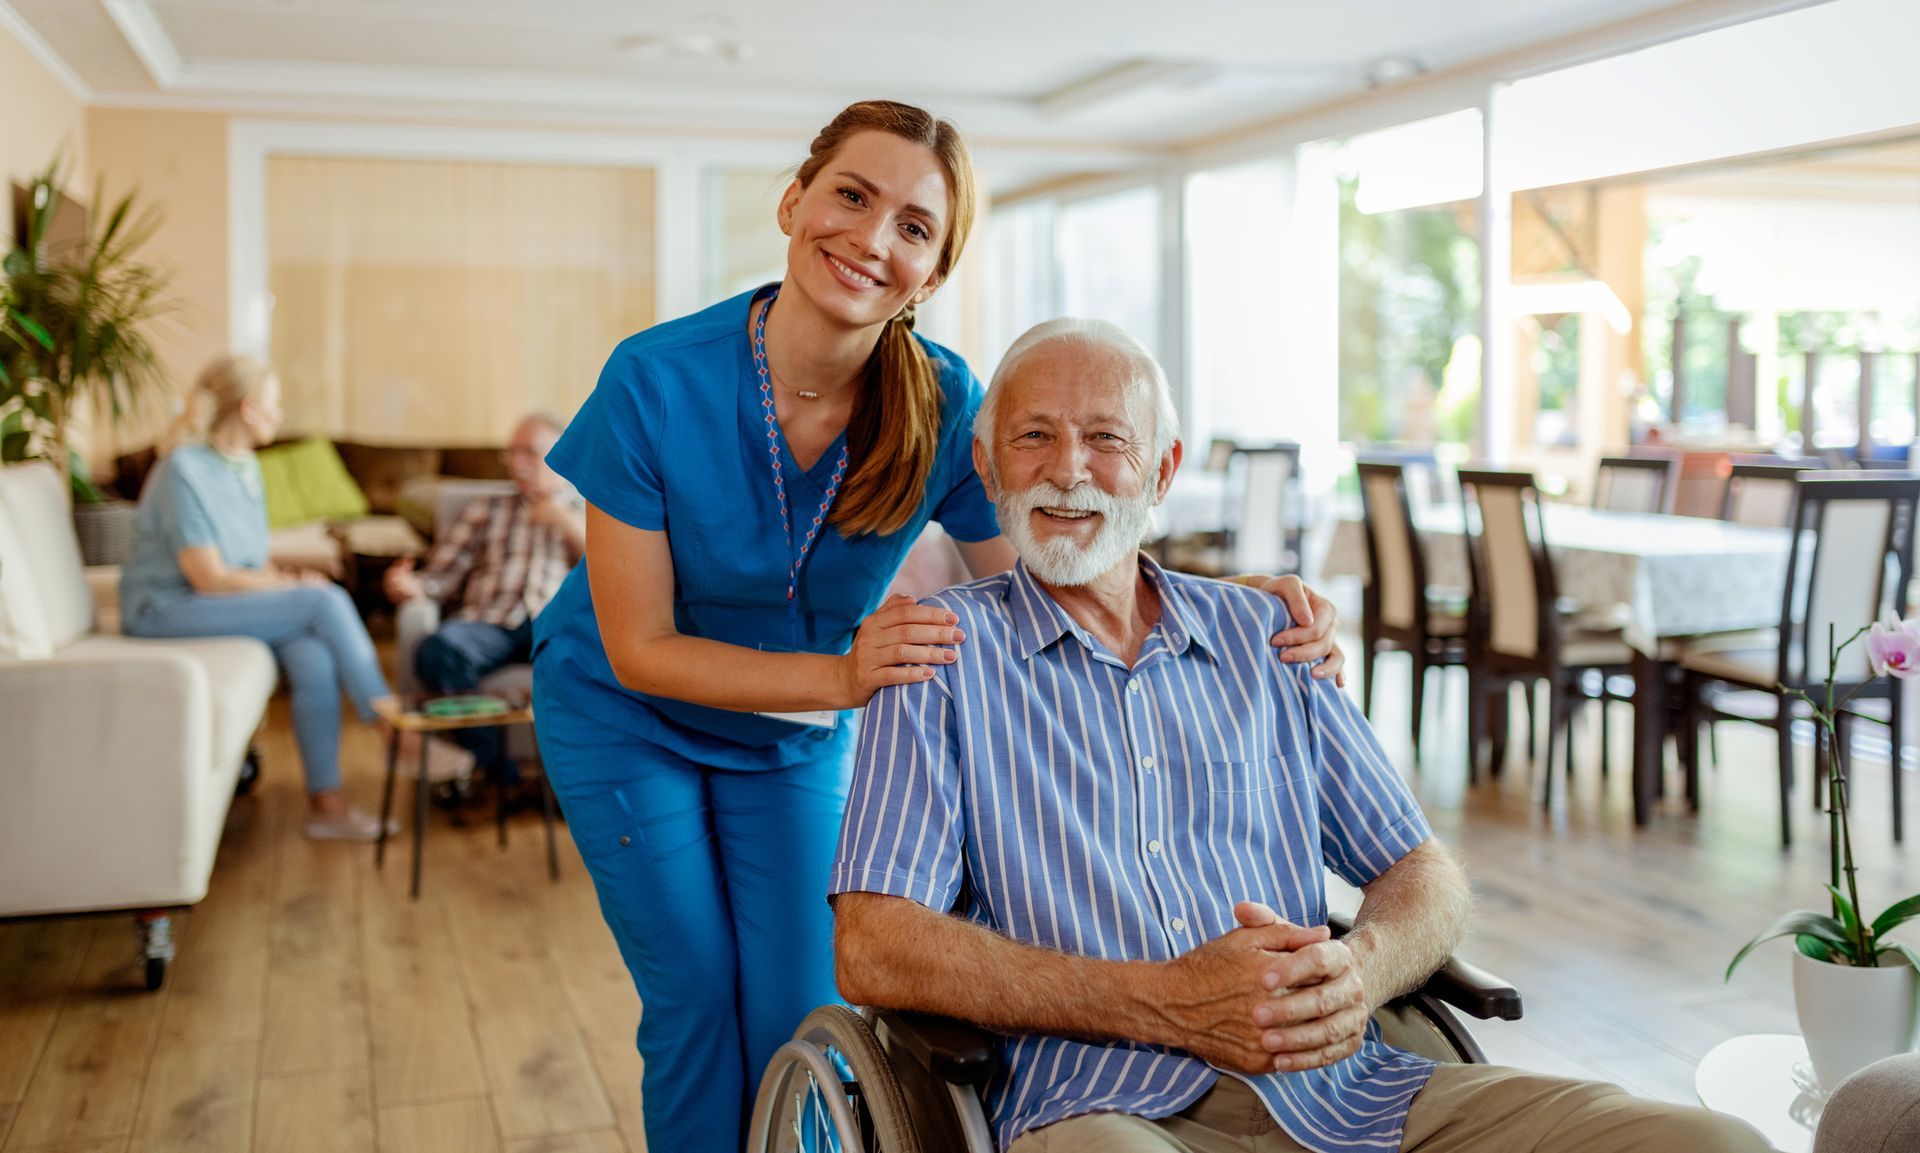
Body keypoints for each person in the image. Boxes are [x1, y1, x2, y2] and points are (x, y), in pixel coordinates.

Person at [531, 100, 1348, 1153]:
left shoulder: (942, 402)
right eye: (853, 196)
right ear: (795, 200)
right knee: (693, 1001)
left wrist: (1239, 605)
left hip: (790, 733)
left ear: (934, 269)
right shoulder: (654, 379)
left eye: (915, 227)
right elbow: (642, 647)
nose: (873, 239)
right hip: (626, 709)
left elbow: (1056, 573)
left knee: (801, 1016)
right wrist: (843, 680)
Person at [830, 318, 1768, 1153]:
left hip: (1353, 1093)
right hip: (1101, 1107)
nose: (1069, 468)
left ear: (1161, 470)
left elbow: (1421, 872)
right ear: (989, 467)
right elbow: (873, 946)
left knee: (1710, 1140)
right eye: (1033, 436)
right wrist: (1165, 1001)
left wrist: (1360, 972)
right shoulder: (937, 656)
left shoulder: (1268, 635)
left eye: (1107, 437)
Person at [120, 356, 400, 841]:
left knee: (312, 653)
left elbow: (248, 563)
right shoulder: (183, 469)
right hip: (164, 608)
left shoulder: (245, 467)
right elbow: (208, 576)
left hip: (209, 603)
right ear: (249, 408)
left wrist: (286, 579)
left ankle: (327, 807)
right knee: (326, 602)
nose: (279, 413)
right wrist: (297, 590)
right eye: (274, 403)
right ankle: (393, 729)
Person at [384, 411, 584, 787]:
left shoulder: (589, 509)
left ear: (561, 452)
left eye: (529, 452)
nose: (518, 462)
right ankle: (497, 773)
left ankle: (575, 786)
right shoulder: (488, 507)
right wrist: (413, 586)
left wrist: (560, 517)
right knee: (437, 650)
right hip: (489, 622)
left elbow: (608, 572)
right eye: (512, 453)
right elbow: (443, 573)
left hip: (554, 623)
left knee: (593, 665)